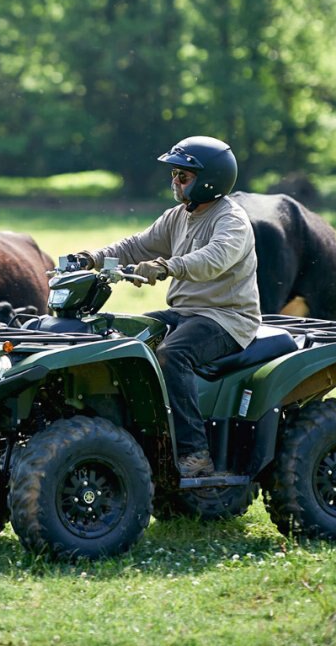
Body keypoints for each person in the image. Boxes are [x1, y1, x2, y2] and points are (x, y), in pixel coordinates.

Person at [67, 136, 260, 478]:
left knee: (173, 355)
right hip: (185, 313)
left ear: (209, 181)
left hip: (226, 319)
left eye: (183, 177)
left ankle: (194, 453)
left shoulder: (231, 221)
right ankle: (140, 437)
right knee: (124, 339)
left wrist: (167, 266)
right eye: (174, 174)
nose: (174, 182)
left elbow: (215, 259)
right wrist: (92, 258)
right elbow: (136, 245)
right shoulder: (178, 216)